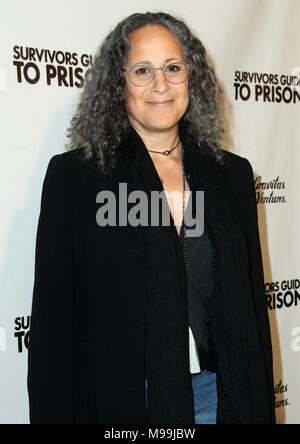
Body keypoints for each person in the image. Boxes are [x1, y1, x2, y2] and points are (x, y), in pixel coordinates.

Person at [27, 12, 276, 424]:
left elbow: (250, 309)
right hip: (121, 401)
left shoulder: (231, 174)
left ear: (191, 78)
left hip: (220, 392)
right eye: (142, 70)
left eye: (173, 68)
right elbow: (53, 326)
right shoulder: (76, 178)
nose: (160, 85)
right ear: (117, 84)